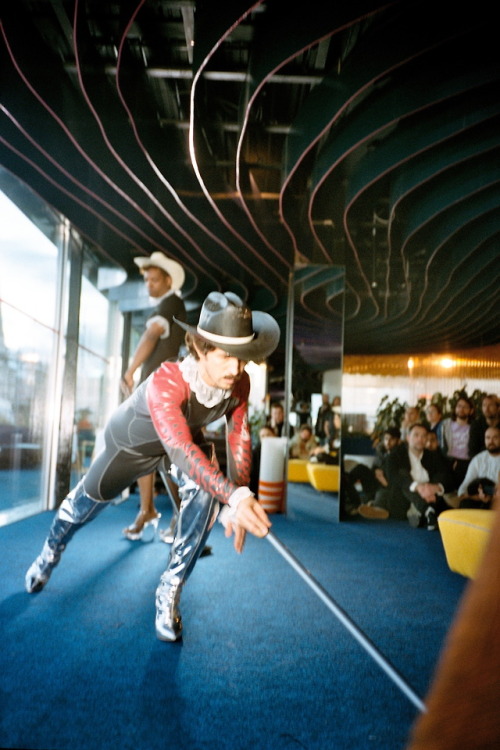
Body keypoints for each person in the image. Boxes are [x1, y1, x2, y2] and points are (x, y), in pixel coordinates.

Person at [25, 292, 280, 642]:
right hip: (132, 446)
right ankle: (50, 551)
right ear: (200, 347)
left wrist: (241, 494)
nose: (235, 369)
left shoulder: (239, 383)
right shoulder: (168, 380)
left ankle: (170, 587)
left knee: (206, 494)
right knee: (81, 508)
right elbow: (179, 448)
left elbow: (239, 435)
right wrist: (234, 497)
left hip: (183, 443)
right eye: (225, 356)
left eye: (242, 358)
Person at [120, 251, 186, 541]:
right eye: (146, 279)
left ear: (168, 280)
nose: (149, 284)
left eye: (155, 279)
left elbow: (149, 337)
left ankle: (181, 516)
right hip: (156, 388)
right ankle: (147, 510)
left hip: (161, 390)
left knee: (165, 456)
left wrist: (130, 369)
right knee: (144, 449)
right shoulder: (169, 305)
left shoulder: (171, 303)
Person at [385, 422, 453, 529]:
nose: (420, 439)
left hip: (430, 496)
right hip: (404, 499)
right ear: (408, 438)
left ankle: (422, 514)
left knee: (436, 480)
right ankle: (427, 511)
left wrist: (435, 488)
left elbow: (446, 476)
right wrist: (418, 487)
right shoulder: (395, 455)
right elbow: (392, 477)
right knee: (404, 477)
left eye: (423, 436)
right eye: (416, 435)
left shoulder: (432, 456)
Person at [457, 426, 500, 510]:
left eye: (495, 438)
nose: (491, 441)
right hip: (479, 497)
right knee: (465, 503)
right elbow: (466, 483)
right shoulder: (478, 459)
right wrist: (475, 497)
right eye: (488, 438)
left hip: (497, 499)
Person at [441, 395, 474, 488]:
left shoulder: (474, 427)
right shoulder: (446, 424)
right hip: (449, 461)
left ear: (471, 410)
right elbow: (441, 445)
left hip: (467, 463)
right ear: (455, 408)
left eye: (465, 407)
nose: (461, 409)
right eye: (459, 406)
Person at [468, 393, 499, 459]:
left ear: (498, 407)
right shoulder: (476, 424)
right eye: (484, 405)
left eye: (490, 405)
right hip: (481, 461)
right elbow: (472, 450)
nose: (486, 409)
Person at [249, 425, 276, 495]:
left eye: (268, 435)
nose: (266, 438)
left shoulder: (279, 450)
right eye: (263, 436)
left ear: (274, 435)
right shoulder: (255, 452)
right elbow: (253, 476)